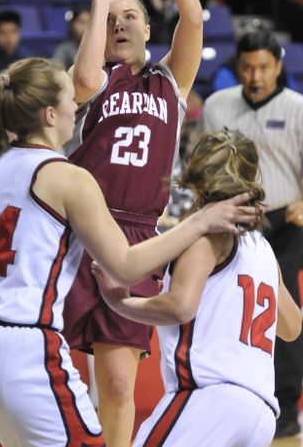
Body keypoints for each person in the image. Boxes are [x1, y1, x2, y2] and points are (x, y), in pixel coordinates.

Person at [0, 57, 258, 447]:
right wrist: (199, 222)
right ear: (50, 114)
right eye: (71, 98)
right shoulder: (67, 175)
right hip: (17, 344)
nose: (77, 106)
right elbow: (125, 265)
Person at [62, 0, 203, 447]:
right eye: (112, 20)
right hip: (78, 233)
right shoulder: (95, 81)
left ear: (149, 29)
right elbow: (81, 75)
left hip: (140, 236)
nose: (120, 25)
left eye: (130, 17)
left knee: (118, 383)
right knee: (48, 365)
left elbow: (191, 15)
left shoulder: (172, 81)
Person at [93, 127, 302, 447]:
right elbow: (291, 326)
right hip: (259, 413)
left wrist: (121, 303)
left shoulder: (206, 235)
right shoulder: (262, 246)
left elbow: (181, 306)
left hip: (209, 399)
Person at [202, 28, 303, 439]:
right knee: (227, 309)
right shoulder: (216, 105)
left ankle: (287, 406)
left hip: (285, 224)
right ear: (237, 68)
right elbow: (204, 163)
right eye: (247, 67)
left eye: (263, 67)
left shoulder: (298, 108)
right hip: (234, 222)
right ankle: (228, 396)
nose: (255, 75)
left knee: (284, 313)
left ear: (278, 66)